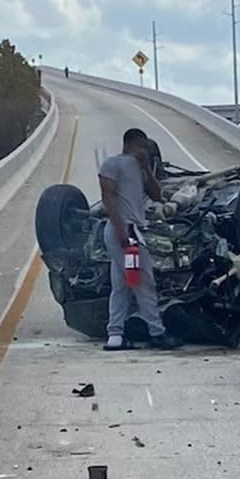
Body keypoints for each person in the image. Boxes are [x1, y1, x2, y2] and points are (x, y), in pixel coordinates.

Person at [98, 128, 179, 351]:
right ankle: (157, 333)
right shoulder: (112, 164)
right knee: (143, 281)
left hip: (130, 232)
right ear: (130, 143)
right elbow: (107, 197)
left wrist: (146, 168)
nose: (144, 150)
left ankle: (115, 336)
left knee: (122, 285)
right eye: (141, 145)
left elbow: (156, 194)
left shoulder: (139, 168)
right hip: (125, 233)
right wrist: (121, 230)